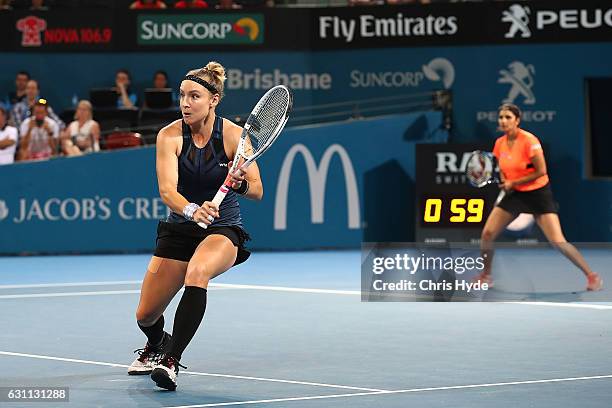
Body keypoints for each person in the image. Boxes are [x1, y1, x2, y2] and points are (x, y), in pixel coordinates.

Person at [128, 61, 262, 391]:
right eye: (182, 96)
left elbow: (257, 190)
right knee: (144, 315)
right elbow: (167, 191)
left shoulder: (234, 137)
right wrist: (191, 210)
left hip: (222, 228)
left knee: (197, 272)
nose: (185, 103)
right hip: (180, 228)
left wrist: (239, 183)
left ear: (213, 100)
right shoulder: (169, 136)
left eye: (194, 96)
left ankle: (171, 361)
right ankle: (158, 342)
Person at [475, 103, 602, 291]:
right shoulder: (499, 143)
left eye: (508, 117)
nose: (503, 121)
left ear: (517, 120)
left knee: (558, 241)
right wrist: (504, 181)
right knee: (487, 234)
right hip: (514, 194)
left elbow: (541, 171)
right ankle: (486, 276)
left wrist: (514, 182)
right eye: (501, 117)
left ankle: (592, 276)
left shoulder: (529, 140)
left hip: (537, 194)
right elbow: (499, 167)